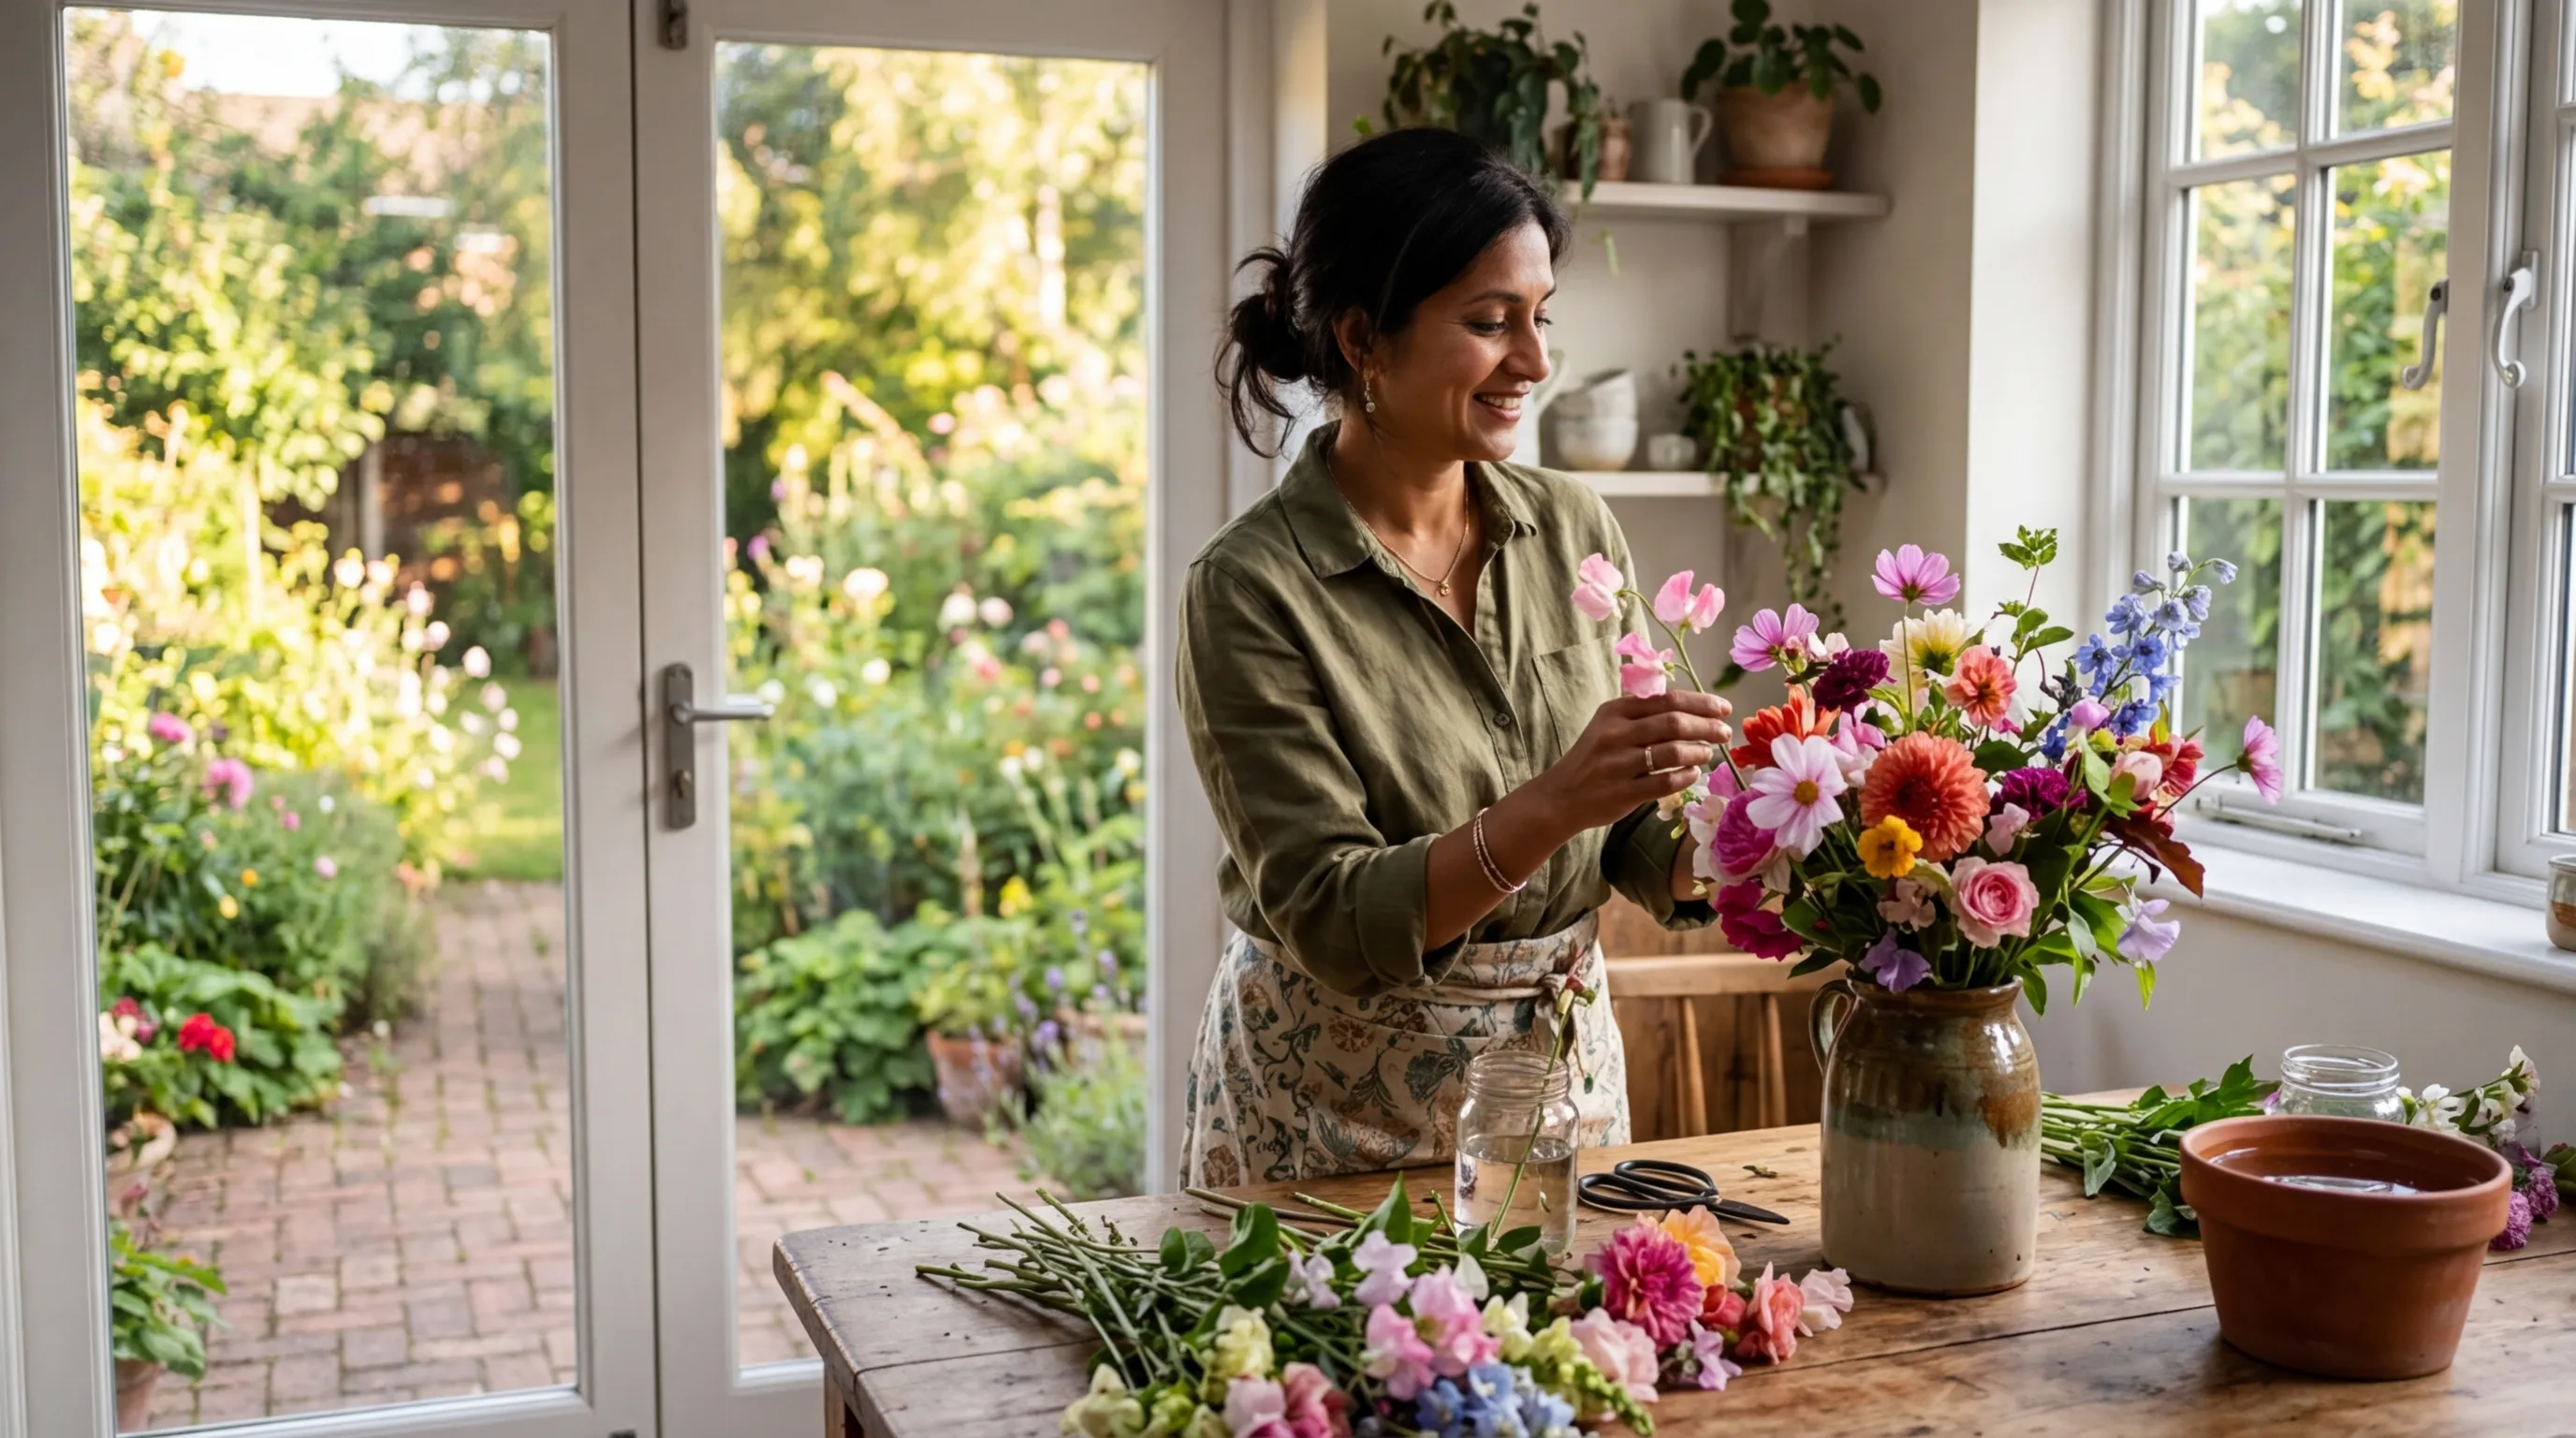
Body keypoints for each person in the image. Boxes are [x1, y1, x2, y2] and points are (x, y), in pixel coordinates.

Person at [1178, 127, 1734, 1188]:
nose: (1531, 362)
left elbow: (1624, 825)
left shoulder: (1573, 526)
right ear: (1363, 340)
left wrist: (1740, 848)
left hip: (1558, 1085)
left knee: (1564, 1357)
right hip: (1330, 1106)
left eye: (1539, 319)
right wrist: (1556, 803)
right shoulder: (1250, 590)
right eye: (1488, 323)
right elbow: (1331, 915)